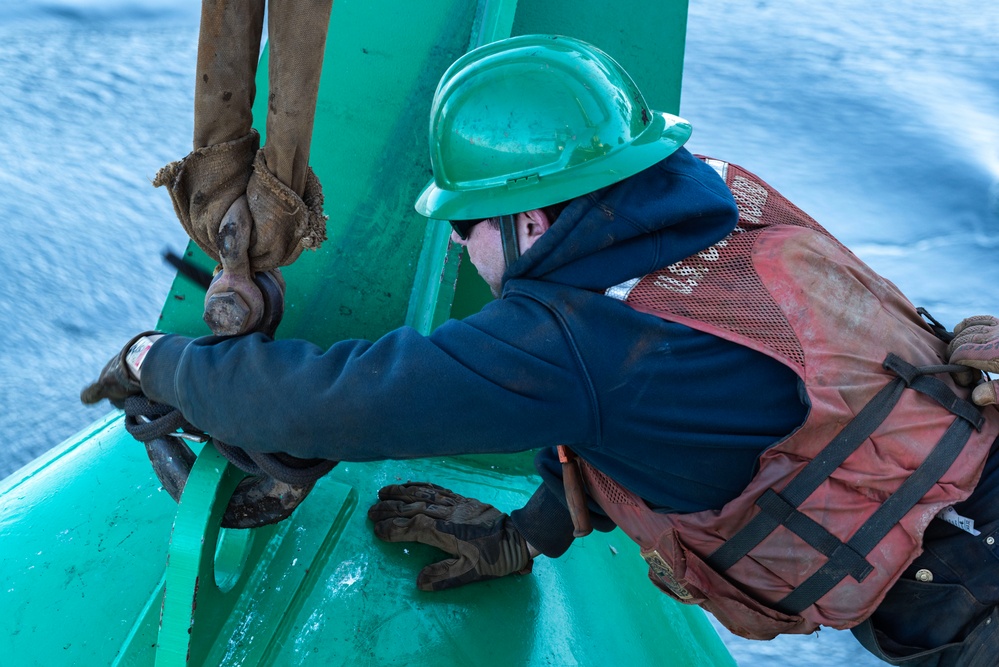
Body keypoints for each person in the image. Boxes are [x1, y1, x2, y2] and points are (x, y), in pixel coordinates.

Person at [82, 35, 999, 665]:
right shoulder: (717, 204)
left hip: (963, 598)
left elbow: (344, 401)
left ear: (531, 217)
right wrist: (527, 530)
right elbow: (679, 415)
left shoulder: (569, 343)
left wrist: (157, 358)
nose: (452, 246)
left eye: (464, 224)